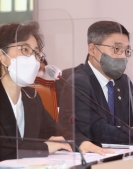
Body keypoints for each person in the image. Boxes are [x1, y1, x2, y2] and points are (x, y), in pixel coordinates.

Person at [0, 22, 111, 161]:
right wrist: (45, 148)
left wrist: (82, 143)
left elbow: (56, 132)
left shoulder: (31, 97)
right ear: (2, 55)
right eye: (25, 50)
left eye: (36, 53)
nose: (33, 59)